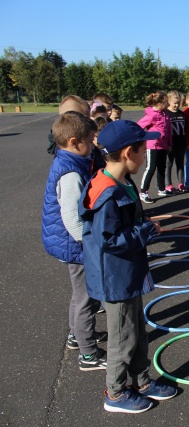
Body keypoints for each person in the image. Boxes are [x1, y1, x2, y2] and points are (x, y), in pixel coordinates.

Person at [79, 120, 177, 413]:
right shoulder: (107, 192)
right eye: (142, 151)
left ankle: (142, 382)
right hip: (115, 277)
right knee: (122, 338)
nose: (145, 156)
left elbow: (126, 223)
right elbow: (108, 240)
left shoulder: (122, 181)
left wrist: (143, 223)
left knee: (137, 332)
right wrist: (143, 231)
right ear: (126, 153)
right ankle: (116, 393)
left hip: (129, 272)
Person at [42, 112, 107, 370]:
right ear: (74, 142)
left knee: (80, 296)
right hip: (76, 245)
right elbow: (71, 217)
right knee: (86, 299)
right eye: (90, 142)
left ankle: (75, 336)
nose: (93, 147)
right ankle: (88, 354)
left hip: (72, 244)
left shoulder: (71, 161)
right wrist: (92, 244)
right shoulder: (70, 173)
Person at [138, 91, 171, 204]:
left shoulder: (166, 114)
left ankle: (161, 189)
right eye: (166, 102)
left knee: (162, 167)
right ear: (160, 103)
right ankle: (143, 192)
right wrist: (142, 140)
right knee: (151, 168)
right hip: (153, 146)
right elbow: (139, 126)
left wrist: (169, 144)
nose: (168, 104)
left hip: (163, 146)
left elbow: (169, 130)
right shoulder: (152, 115)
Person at [164, 90, 187, 193]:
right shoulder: (166, 114)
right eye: (175, 103)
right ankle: (168, 184)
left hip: (181, 143)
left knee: (180, 163)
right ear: (169, 101)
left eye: (178, 103)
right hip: (170, 144)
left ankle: (181, 183)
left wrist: (186, 143)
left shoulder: (182, 114)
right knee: (169, 164)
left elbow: (185, 130)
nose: (177, 105)